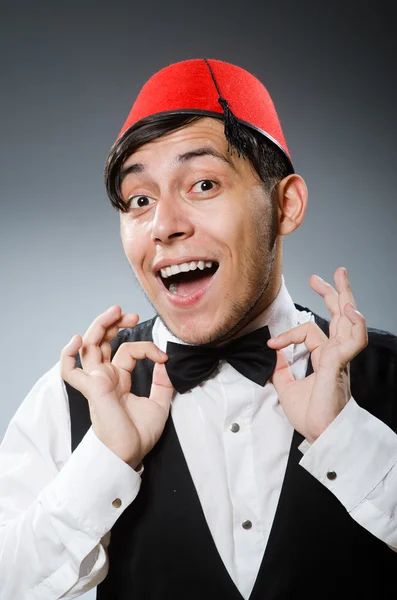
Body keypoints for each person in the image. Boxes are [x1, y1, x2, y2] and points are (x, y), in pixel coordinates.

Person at [0, 58, 396, 600]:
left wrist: (347, 439)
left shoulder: (392, 376)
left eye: (203, 184)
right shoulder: (74, 398)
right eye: (139, 200)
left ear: (286, 205)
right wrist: (105, 461)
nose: (163, 226)